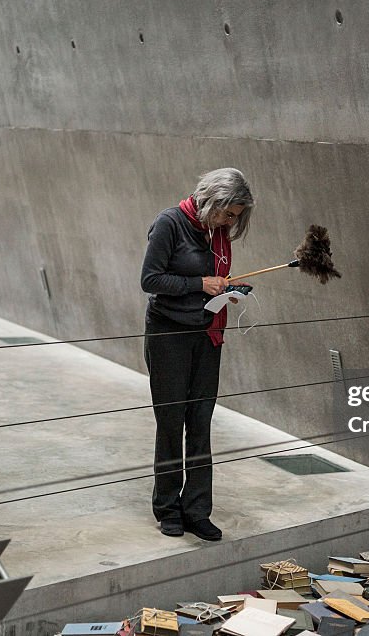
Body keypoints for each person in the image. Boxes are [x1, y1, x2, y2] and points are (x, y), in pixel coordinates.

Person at [140, 168, 254, 540]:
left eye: (235, 216)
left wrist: (227, 288)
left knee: (201, 422)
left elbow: (210, 280)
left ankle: (197, 509)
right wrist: (199, 284)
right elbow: (150, 280)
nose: (230, 222)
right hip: (169, 334)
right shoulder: (169, 223)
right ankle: (168, 508)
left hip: (207, 334)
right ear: (211, 202)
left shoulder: (215, 233)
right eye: (228, 214)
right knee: (172, 422)